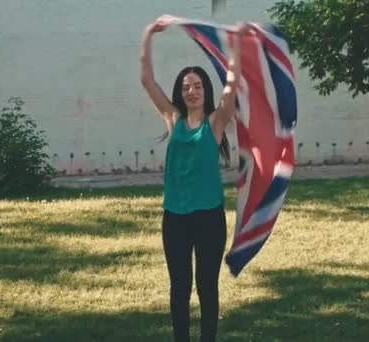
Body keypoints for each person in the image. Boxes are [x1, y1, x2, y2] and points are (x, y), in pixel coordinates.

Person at [139, 16, 247, 342]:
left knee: (207, 286)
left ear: (205, 90)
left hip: (209, 216)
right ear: (180, 93)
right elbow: (147, 80)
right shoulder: (172, 118)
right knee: (180, 286)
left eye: (198, 85)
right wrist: (149, 34)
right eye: (186, 87)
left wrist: (235, 43)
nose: (192, 91)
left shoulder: (215, 123)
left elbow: (232, 84)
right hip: (175, 217)